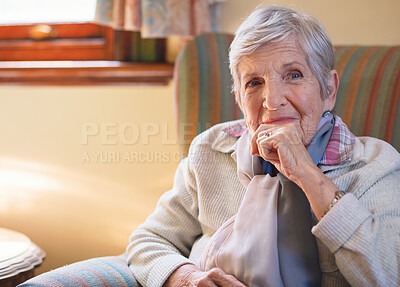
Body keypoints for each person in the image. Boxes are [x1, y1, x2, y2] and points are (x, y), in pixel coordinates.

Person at [127, 6, 400, 287]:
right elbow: (149, 240)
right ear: (240, 99)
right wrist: (186, 278)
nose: (271, 101)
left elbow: (390, 275)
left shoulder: (375, 166)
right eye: (254, 82)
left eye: (293, 75)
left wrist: (306, 174)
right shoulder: (210, 150)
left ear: (328, 90)